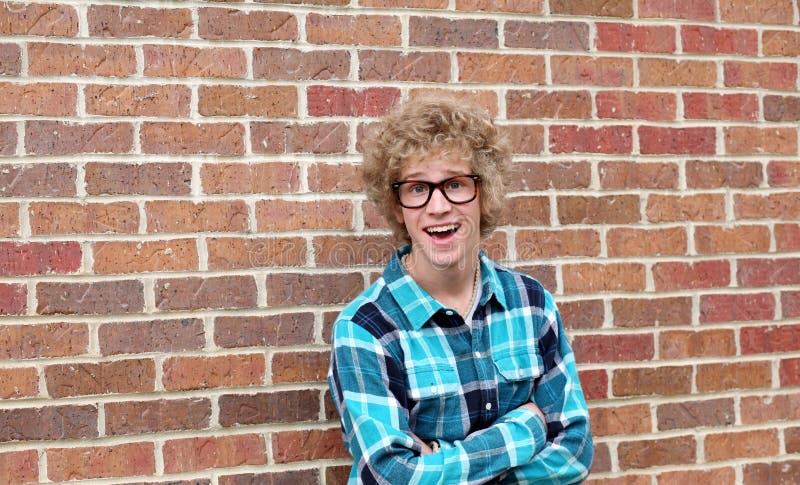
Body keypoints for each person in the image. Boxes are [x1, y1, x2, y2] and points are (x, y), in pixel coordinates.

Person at [327, 96, 593, 484]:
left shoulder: (531, 304)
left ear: (484, 192)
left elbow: (575, 453)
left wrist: (442, 465)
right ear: (397, 204)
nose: (438, 206)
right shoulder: (366, 329)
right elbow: (390, 475)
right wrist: (526, 431)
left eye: (455, 184)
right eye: (418, 189)